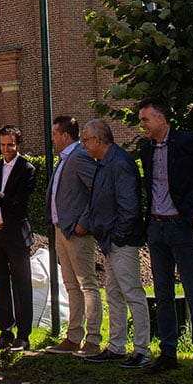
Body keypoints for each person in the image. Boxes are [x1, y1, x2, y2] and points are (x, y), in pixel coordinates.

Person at [136, 97, 193, 376]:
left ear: (161, 119)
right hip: (157, 227)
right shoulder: (146, 150)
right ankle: (168, 352)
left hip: (181, 225)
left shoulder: (187, 142)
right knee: (162, 293)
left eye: (145, 119)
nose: (142, 125)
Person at [80, 117, 151, 368]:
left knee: (132, 293)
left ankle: (142, 349)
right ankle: (117, 345)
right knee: (113, 294)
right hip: (110, 241)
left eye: (85, 139)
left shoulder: (119, 163)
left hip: (121, 241)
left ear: (98, 140)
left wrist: (117, 236)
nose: (83, 144)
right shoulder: (104, 162)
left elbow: (129, 208)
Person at [0, 125, 38, 350]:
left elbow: (17, 203)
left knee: (21, 284)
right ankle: (6, 331)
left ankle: (24, 334)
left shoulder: (27, 169)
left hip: (17, 234)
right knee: (1, 283)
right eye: (2, 145)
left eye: (10, 145)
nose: (6, 149)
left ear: (18, 144)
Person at [47, 116, 102, 356]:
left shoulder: (79, 156)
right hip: (63, 230)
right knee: (71, 285)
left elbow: (98, 190)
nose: (52, 138)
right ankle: (74, 336)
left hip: (77, 233)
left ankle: (93, 339)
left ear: (65, 136)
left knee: (87, 284)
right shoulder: (65, 159)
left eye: (55, 134)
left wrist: (84, 222)